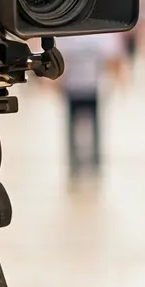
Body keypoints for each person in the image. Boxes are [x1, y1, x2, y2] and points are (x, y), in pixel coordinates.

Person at [54, 32, 127, 180]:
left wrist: (118, 79)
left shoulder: (99, 35)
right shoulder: (69, 36)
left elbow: (114, 58)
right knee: (74, 126)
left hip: (93, 87)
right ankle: (76, 164)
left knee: (93, 127)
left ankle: (92, 164)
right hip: (73, 87)